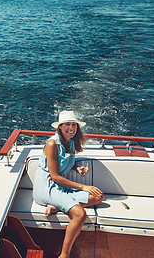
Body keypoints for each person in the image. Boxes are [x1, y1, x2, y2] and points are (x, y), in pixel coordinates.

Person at [33, 110, 104, 258]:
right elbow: (55, 176)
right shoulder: (52, 143)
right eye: (67, 124)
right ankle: (64, 255)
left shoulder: (71, 142)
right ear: (60, 126)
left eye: (74, 124)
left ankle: (56, 206)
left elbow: (62, 163)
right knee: (79, 214)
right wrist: (83, 186)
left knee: (98, 196)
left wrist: (76, 168)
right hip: (47, 186)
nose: (71, 127)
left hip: (59, 186)